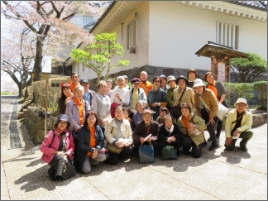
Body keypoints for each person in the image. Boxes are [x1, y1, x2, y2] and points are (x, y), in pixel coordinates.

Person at [40, 114, 75, 181]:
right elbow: (42, 148)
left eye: (64, 122)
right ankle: (56, 175)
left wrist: (67, 154)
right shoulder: (51, 133)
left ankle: (53, 170)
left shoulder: (69, 134)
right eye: (60, 122)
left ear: (67, 124)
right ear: (57, 123)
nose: (62, 124)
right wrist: (57, 152)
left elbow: (72, 147)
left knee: (72, 171)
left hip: (65, 156)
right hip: (53, 156)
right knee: (61, 160)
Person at [193, 78, 219, 151]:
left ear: (203, 87)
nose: (198, 89)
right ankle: (203, 142)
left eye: (200, 87)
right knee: (199, 126)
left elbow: (215, 105)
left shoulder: (209, 92)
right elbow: (197, 108)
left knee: (210, 127)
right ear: (194, 88)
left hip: (212, 113)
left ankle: (214, 143)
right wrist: (200, 118)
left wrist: (211, 117)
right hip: (202, 113)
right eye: (196, 87)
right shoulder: (195, 95)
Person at [204, 72, 227, 143]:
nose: (209, 78)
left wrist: (219, 103)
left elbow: (223, 93)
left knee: (220, 120)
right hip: (213, 106)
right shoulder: (206, 87)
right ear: (206, 79)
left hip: (221, 104)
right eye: (208, 77)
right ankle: (212, 136)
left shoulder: (218, 83)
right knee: (212, 121)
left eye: (210, 76)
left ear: (213, 76)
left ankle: (217, 136)